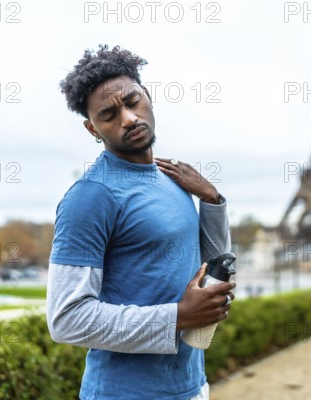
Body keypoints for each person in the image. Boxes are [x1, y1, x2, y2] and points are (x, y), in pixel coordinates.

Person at [46, 45, 235, 400]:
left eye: (133, 101)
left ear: (147, 95)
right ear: (92, 129)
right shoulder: (91, 196)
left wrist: (211, 200)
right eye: (109, 114)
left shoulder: (173, 180)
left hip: (191, 386)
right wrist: (177, 317)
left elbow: (209, 267)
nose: (129, 118)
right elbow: (66, 318)